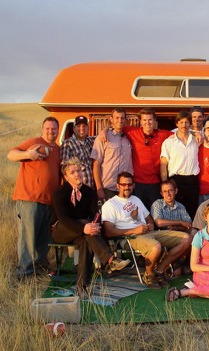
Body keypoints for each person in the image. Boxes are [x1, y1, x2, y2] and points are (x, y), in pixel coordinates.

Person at [52, 158, 130, 298]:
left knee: (86, 240)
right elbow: (63, 219)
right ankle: (110, 260)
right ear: (66, 176)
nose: (77, 174)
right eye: (73, 172)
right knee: (85, 224)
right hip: (61, 230)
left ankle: (82, 287)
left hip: (83, 233)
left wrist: (93, 226)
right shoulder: (60, 193)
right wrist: (84, 228)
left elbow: (96, 215)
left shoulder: (89, 192)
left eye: (79, 171)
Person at [101, 172, 191, 288]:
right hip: (129, 238)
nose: (127, 187)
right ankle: (149, 273)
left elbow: (149, 218)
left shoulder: (135, 199)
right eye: (123, 184)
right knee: (156, 247)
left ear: (133, 185)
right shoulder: (110, 204)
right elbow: (108, 232)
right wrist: (135, 230)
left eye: (129, 184)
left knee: (186, 239)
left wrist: (150, 224)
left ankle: (159, 271)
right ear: (118, 186)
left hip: (148, 232)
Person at [7, 117, 61, 279]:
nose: (50, 131)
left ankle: (38, 266)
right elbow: (11, 154)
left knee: (44, 237)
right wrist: (29, 154)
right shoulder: (34, 143)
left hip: (49, 201)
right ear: (42, 129)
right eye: (47, 128)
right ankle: (24, 272)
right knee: (28, 237)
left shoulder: (57, 149)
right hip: (30, 199)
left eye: (53, 129)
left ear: (58, 131)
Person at [165, 205, 209, 301]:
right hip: (205, 272)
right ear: (205, 217)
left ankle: (193, 289)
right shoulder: (199, 236)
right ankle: (184, 292)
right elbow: (194, 266)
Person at [123, 108, 173, 209]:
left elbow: (180, 133)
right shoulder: (133, 132)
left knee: (155, 212)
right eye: (144, 120)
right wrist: (104, 132)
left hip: (155, 183)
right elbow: (115, 127)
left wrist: (196, 133)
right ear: (141, 121)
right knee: (138, 212)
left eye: (150, 120)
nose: (147, 123)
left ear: (155, 120)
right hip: (138, 183)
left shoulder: (162, 134)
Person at [160, 110, 200, 219]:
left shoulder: (197, 139)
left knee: (192, 211)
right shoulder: (168, 142)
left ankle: (191, 234)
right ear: (177, 123)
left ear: (190, 124)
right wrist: (165, 183)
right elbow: (163, 164)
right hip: (176, 181)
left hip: (192, 181)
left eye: (187, 122)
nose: (184, 125)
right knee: (176, 212)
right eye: (181, 122)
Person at [91, 108, 133, 200]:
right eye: (117, 118)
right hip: (108, 188)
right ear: (111, 119)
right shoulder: (103, 138)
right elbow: (96, 164)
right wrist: (99, 188)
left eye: (122, 118)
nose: (120, 120)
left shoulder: (130, 137)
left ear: (125, 120)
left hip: (125, 189)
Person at [60, 115, 96, 188]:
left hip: (90, 188)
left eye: (84, 126)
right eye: (78, 126)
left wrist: (105, 131)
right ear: (74, 128)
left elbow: (103, 135)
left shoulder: (91, 141)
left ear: (88, 128)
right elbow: (64, 168)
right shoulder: (68, 144)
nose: (82, 128)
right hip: (76, 188)